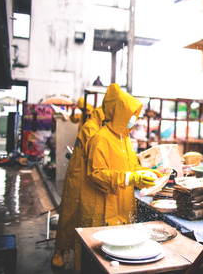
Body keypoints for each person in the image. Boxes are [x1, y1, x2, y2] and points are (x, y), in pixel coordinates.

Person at [78, 83, 160, 229]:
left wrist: (141, 173)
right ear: (118, 114)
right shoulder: (100, 139)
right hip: (104, 208)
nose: (133, 119)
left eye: (134, 115)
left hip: (124, 206)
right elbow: (96, 174)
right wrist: (130, 178)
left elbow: (131, 166)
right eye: (130, 115)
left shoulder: (125, 138)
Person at [52, 105, 105, 267]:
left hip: (82, 177)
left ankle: (73, 253)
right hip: (78, 179)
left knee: (74, 216)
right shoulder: (91, 129)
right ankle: (59, 251)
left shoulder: (92, 125)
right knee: (69, 216)